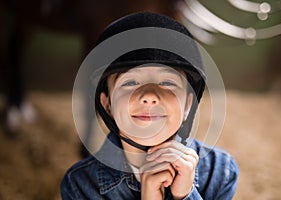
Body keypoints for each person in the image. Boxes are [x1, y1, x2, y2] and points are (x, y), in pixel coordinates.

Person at [61, 12, 239, 200]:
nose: (149, 96)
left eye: (168, 83)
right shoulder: (79, 185)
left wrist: (186, 196)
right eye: (130, 83)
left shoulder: (220, 171)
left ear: (188, 105)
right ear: (107, 106)